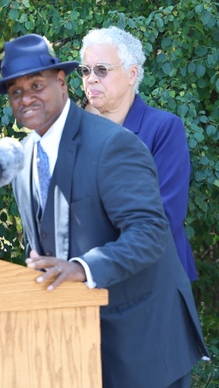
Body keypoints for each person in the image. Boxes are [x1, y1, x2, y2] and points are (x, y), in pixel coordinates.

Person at [0, 33, 208, 388]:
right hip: (84, 348)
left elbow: (151, 234)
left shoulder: (113, 144)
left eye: (36, 85)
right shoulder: (26, 159)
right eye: (16, 92)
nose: (26, 99)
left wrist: (81, 268)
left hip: (148, 338)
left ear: (63, 82)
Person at [79, 26, 197, 281]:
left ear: (132, 74)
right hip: (90, 278)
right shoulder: (75, 135)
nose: (91, 78)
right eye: (85, 70)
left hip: (154, 280)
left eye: (102, 69)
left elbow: (166, 215)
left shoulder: (163, 128)